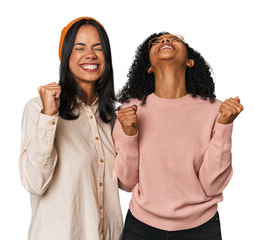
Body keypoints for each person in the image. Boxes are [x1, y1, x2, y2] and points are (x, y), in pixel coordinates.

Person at [113, 32, 243, 240]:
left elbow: (213, 186)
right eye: (156, 41)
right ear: (149, 67)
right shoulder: (130, 110)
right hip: (141, 227)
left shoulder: (216, 111)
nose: (165, 41)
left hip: (201, 228)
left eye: (175, 39)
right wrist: (129, 135)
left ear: (190, 62)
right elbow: (126, 182)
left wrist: (225, 125)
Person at [19, 17, 123, 240]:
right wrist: (49, 116)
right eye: (80, 47)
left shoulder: (110, 118)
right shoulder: (39, 108)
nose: (91, 54)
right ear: (66, 56)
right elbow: (34, 182)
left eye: (98, 48)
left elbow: (125, 182)